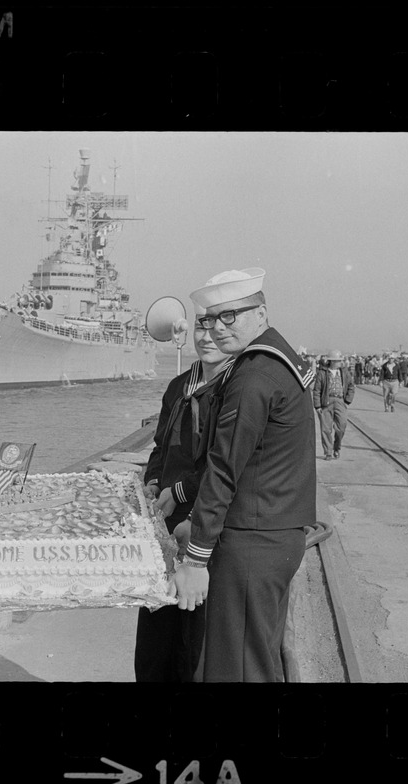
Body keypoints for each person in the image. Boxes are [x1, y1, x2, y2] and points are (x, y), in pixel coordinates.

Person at [171, 268, 317, 682]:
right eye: (211, 318)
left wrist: (196, 558)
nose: (217, 328)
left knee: (234, 668)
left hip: (250, 543)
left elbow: (224, 469)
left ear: (261, 313)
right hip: (276, 533)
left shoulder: (252, 375)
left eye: (230, 316)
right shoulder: (280, 363)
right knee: (258, 658)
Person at [134, 304, 234, 682]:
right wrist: (155, 481)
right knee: (154, 646)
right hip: (165, 526)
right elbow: (160, 447)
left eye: (217, 328)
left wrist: (180, 490)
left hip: (206, 528)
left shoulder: (233, 389)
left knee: (195, 647)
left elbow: (223, 464)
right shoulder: (178, 387)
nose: (207, 337)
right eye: (201, 327)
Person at [313, 349, 355, 460]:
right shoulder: (322, 373)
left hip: (340, 401)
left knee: (341, 426)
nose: (340, 363)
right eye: (338, 361)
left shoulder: (344, 373)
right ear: (331, 361)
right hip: (326, 402)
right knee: (326, 429)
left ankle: (337, 447)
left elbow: (351, 386)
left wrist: (347, 401)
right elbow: (317, 390)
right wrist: (317, 406)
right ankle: (328, 452)